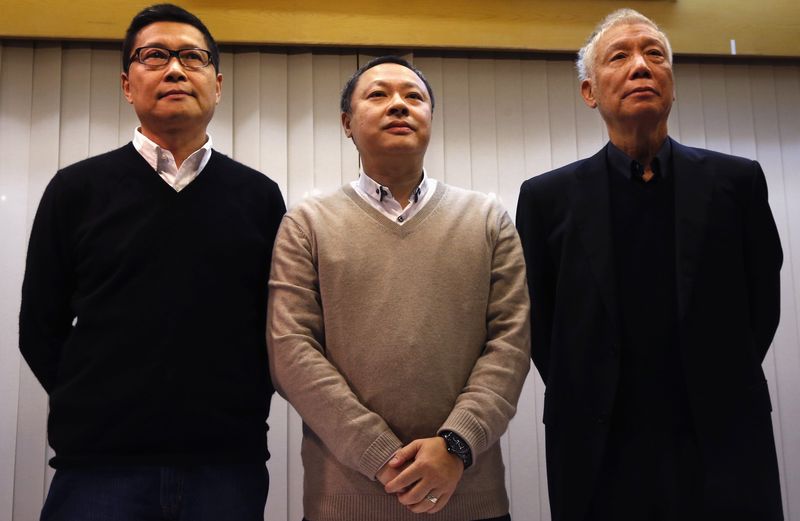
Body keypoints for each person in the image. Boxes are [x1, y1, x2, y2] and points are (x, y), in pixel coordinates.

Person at [19, 4, 285, 520]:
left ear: (218, 82)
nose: (176, 69)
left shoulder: (258, 196)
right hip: (98, 470)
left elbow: (280, 329)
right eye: (156, 56)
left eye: (193, 57)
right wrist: (97, 402)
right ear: (126, 83)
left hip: (226, 469)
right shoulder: (75, 190)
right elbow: (38, 328)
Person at [516, 8, 783, 521]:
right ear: (590, 92)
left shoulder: (737, 183)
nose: (641, 65)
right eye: (620, 56)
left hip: (723, 436)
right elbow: (539, 322)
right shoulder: (547, 198)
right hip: (597, 444)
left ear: (673, 85)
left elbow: (761, 304)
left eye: (654, 54)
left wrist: (716, 375)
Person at [267, 55, 530, 521]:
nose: (399, 105)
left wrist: (454, 446)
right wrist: (379, 454)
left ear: (431, 117)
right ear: (347, 123)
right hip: (344, 502)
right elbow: (291, 350)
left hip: (469, 496)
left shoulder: (487, 220)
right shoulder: (307, 223)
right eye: (378, 94)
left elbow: (510, 344)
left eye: (414, 97)